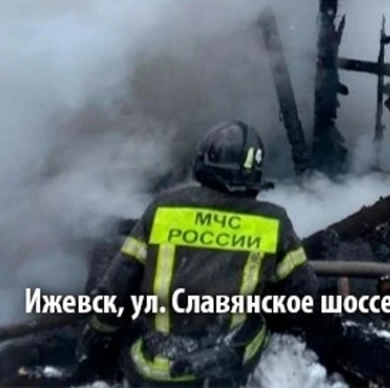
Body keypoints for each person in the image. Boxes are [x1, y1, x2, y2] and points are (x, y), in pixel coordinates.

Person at [74, 120, 338, 387]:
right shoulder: (273, 221)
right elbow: (303, 297)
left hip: (153, 368)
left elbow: (116, 290)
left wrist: (97, 338)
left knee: (130, 331)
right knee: (258, 326)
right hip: (228, 366)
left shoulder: (164, 209)